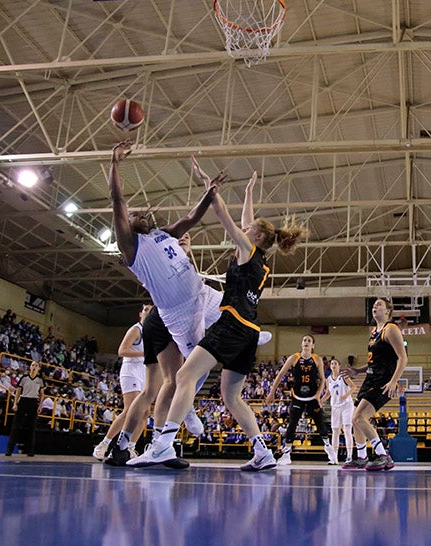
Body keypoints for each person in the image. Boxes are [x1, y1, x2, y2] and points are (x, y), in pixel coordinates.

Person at [129, 167, 307, 471]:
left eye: (250, 228)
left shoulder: (247, 249)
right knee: (232, 397)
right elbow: (246, 223)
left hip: (231, 325)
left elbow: (226, 217)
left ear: (258, 236)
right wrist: (249, 193)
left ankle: (162, 444)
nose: (246, 227)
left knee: (184, 377)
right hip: (249, 332)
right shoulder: (261, 259)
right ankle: (263, 452)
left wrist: (210, 189)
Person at [102, 142, 230, 467]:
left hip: (179, 310)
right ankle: (123, 444)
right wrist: (115, 163)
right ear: (126, 227)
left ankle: (161, 445)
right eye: (133, 216)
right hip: (162, 319)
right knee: (156, 388)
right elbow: (117, 201)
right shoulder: (131, 246)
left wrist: (210, 193)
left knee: (172, 382)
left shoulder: (161, 234)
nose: (138, 214)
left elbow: (191, 217)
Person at [341, 297, 408, 471]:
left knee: (358, 418)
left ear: (388, 311)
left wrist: (394, 381)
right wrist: (357, 371)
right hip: (370, 379)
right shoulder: (374, 332)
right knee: (354, 420)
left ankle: (383, 455)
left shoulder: (391, 329)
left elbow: (403, 358)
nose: (375, 307)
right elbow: (374, 363)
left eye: (379, 305)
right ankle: (362, 457)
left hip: (383, 381)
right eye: (374, 305)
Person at [266, 334, 336, 465]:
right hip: (297, 396)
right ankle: (286, 455)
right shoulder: (294, 358)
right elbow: (280, 375)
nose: (306, 342)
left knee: (320, 423)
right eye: (304, 340)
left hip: (312, 396)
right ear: (301, 344)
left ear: (313, 345)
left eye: (309, 341)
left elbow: (322, 380)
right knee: (292, 424)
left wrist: (319, 394)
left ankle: (330, 450)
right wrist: (272, 392)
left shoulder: (317, 359)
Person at [93, 303, 151, 460]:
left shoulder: (152, 332)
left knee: (145, 413)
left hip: (144, 372)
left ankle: (130, 448)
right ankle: (104, 443)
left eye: (151, 311)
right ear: (141, 313)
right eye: (145, 310)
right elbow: (122, 351)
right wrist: (146, 353)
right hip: (130, 370)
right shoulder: (135, 330)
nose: (147, 313)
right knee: (130, 410)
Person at [5, 361, 44, 456]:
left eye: (36, 366)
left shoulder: (40, 380)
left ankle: (30, 451)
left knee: (31, 427)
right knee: (16, 426)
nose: (34, 367)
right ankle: (9, 450)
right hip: (23, 401)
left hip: (33, 402)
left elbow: (42, 394)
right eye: (33, 365)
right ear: (30, 367)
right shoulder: (24, 378)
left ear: (38, 368)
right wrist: (15, 403)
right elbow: (18, 391)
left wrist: (40, 405)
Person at [322, 357, 355, 465]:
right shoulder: (328, 379)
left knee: (347, 430)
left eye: (335, 363)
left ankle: (349, 456)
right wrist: (321, 401)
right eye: (332, 363)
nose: (333, 365)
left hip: (346, 405)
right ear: (330, 366)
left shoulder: (343, 377)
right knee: (335, 432)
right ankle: (334, 457)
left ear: (339, 366)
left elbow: (353, 387)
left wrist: (346, 395)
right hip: (335, 407)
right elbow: (328, 393)